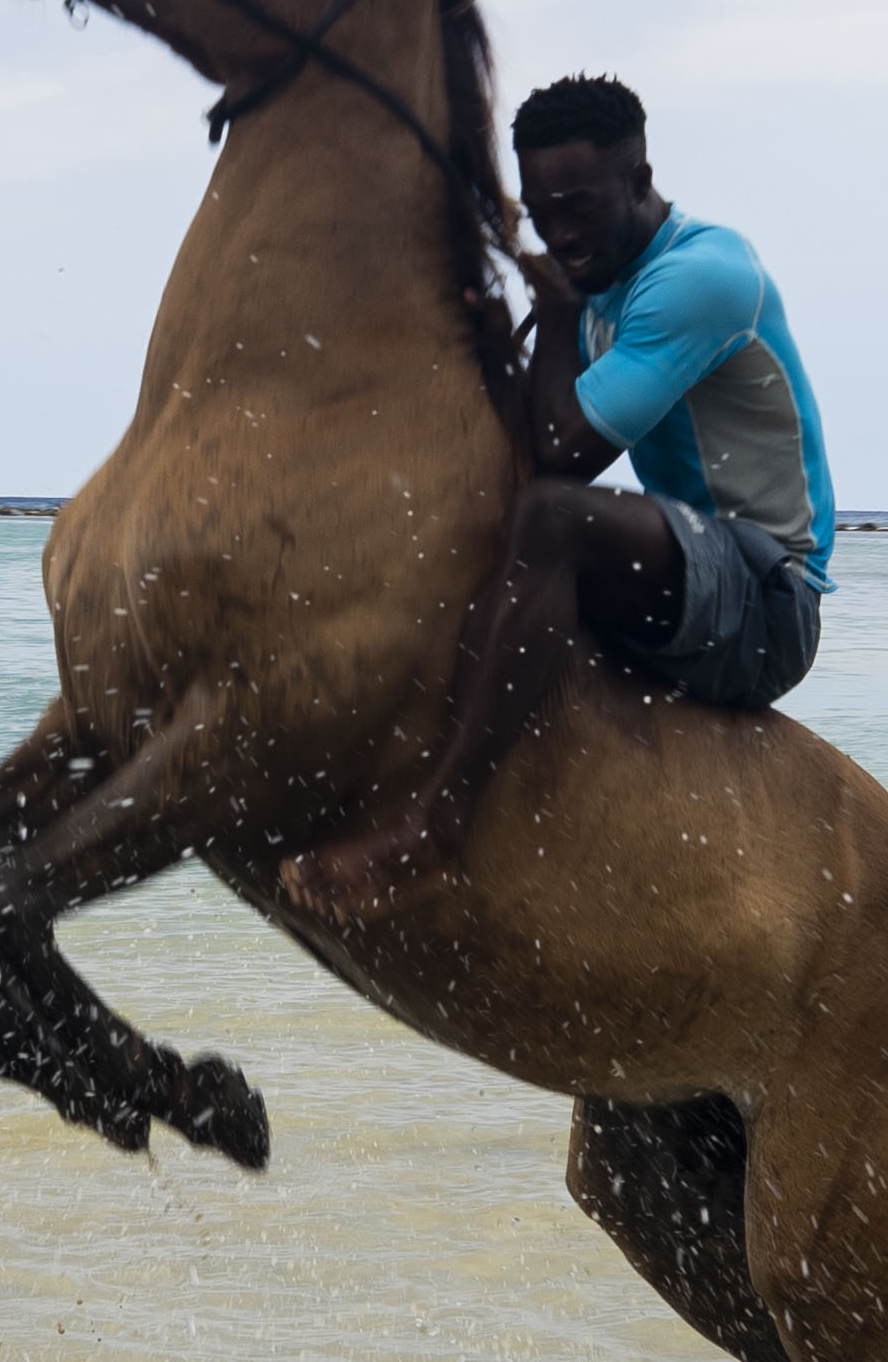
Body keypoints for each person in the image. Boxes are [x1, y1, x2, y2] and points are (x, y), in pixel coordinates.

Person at [277, 73, 836, 925]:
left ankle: (437, 831)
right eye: (542, 215)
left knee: (549, 520)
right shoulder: (598, 284)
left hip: (766, 600)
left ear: (640, 180)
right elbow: (528, 440)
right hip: (690, 575)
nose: (561, 234)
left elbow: (561, 459)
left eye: (580, 205)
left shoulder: (702, 275)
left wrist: (558, 312)